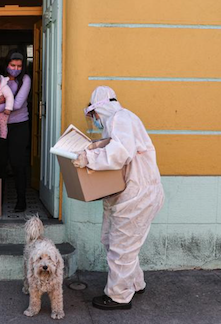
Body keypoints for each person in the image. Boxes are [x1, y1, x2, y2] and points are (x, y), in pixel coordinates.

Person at [72, 86, 165, 310]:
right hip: (133, 195)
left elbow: (119, 154)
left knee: (121, 247)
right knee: (116, 242)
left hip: (136, 197)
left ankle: (118, 296)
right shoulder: (121, 120)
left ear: (98, 110)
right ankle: (135, 282)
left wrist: (88, 157)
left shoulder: (120, 119)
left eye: (93, 115)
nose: (93, 120)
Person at [0, 50, 32, 212]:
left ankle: (21, 200)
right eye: (12, 65)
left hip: (19, 126)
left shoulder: (25, 79)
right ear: (6, 64)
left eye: (19, 66)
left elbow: (18, 104)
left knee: (17, 163)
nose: (15, 68)